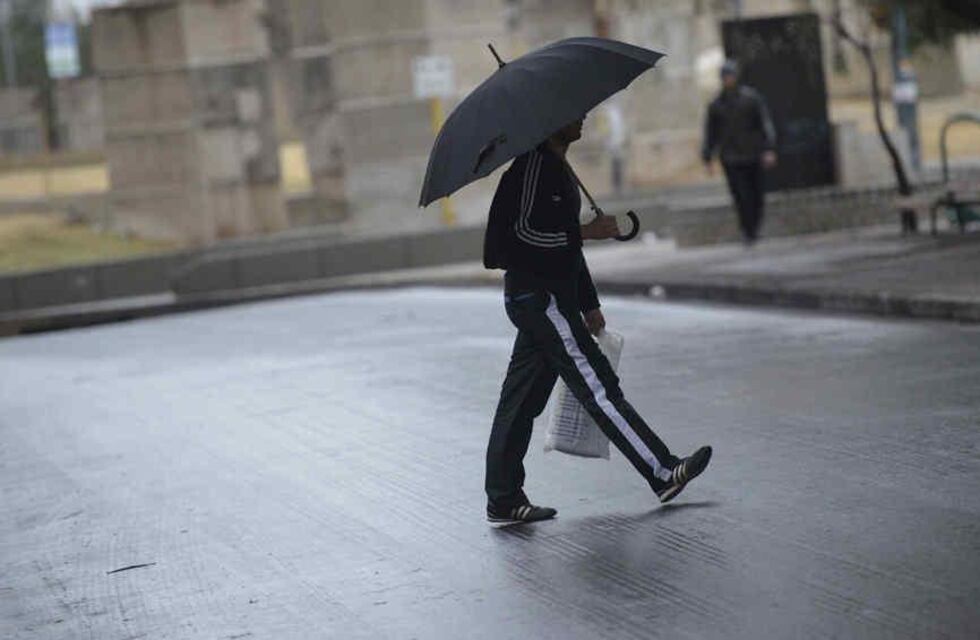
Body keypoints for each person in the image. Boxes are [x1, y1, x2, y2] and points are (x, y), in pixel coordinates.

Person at [482, 115, 713, 527]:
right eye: (573, 112)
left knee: (520, 401)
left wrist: (588, 301)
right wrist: (586, 232)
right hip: (540, 298)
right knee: (598, 386)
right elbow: (522, 235)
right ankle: (662, 471)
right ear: (552, 120)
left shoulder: (557, 167)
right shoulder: (535, 165)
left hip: (548, 298)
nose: (582, 116)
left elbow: (563, 246)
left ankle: (503, 498)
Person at [701, 59, 778, 245]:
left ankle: (755, 226)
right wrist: (708, 157)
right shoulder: (716, 105)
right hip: (731, 157)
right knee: (740, 196)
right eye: (725, 77)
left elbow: (764, 124)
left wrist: (768, 149)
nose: (728, 80)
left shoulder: (751, 99)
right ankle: (747, 230)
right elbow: (711, 133)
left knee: (757, 194)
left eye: (730, 76)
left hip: (753, 153)